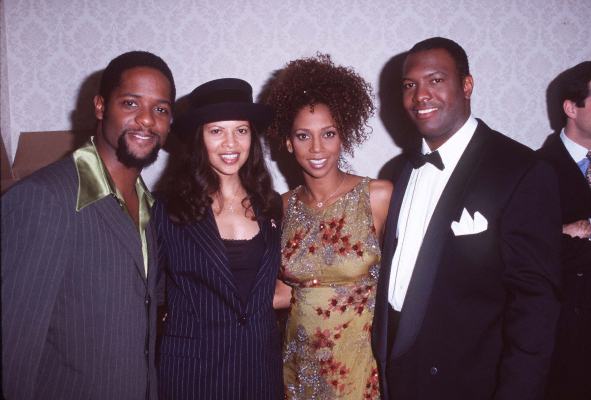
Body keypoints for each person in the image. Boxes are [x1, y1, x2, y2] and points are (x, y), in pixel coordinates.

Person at [371, 37, 562, 400]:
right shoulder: (396, 171)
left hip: (469, 382)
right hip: (396, 374)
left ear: (467, 85)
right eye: (410, 85)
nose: (420, 95)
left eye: (436, 80)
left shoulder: (520, 170)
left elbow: (536, 307)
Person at [1, 51, 175, 400]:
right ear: (100, 107)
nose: (146, 120)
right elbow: (12, 354)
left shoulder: (151, 207)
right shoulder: (43, 199)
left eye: (160, 109)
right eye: (130, 103)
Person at [264, 54, 393, 399]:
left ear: (342, 136)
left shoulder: (378, 197)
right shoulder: (279, 207)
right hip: (298, 366)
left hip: (362, 366)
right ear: (288, 143)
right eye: (304, 136)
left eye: (329, 133)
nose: (317, 148)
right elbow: (278, 293)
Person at [153, 78, 283, 400]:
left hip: (260, 372)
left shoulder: (272, 205)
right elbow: (149, 293)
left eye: (241, 130)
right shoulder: (167, 209)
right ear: (199, 139)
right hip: (193, 375)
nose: (231, 143)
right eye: (216, 131)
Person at [538, 61, 591, 400]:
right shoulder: (533, 171)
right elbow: (526, 252)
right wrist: (561, 232)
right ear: (572, 108)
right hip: (570, 343)